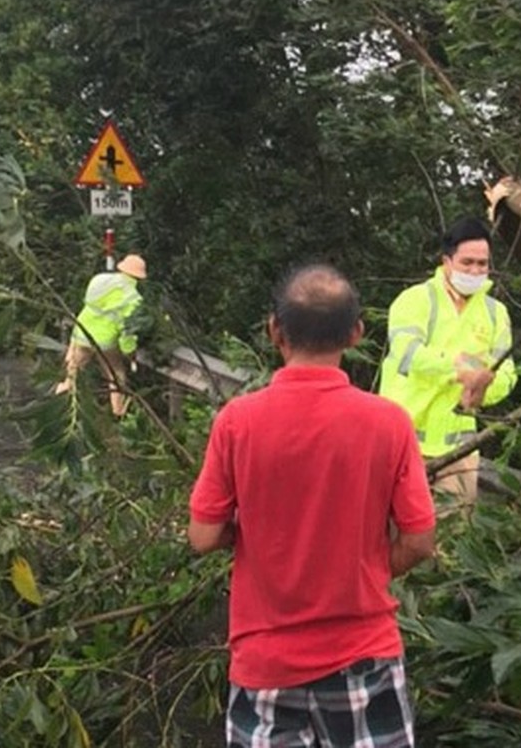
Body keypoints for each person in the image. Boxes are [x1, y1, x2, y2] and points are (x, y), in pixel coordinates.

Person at [189, 263, 436, 747]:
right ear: (357, 333)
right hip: (365, 655)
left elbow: (202, 536)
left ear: (273, 330)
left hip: (266, 662)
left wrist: (255, 534)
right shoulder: (388, 422)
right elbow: (421, 541)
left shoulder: (238, 421)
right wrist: (367, 571)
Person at [379, 216, 517, 513]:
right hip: (402, 443)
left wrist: (485, 388)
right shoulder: (415, 300)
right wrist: (460, 373)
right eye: (467, 262)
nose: (475, 270)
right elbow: (407, 353)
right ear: (447, 261)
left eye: (482, 264)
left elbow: (507, 373)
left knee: (453, 542)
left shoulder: (496, 313)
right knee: (395, 536)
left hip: (460, 450)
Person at [54, 254, 147, 417]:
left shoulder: (99, 279)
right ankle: (118, 412)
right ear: (139, 277)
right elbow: (128, 332)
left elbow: (87, 302)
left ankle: (56, 404)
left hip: (82, 332)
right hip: (105, 341)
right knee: (116, 375)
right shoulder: (133, 298)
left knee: (72, 373)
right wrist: (129, 352)